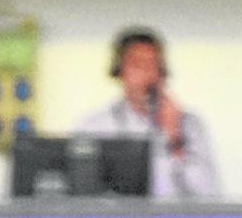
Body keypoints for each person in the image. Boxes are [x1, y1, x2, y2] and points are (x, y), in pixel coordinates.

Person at [74, 26, 219, 199]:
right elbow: (80, 194)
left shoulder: (190, 125)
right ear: (120, 72)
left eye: (154, 65)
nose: (147, 74)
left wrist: (175, 138)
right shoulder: (95, 125)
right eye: (137, 65)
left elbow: (208, 193)